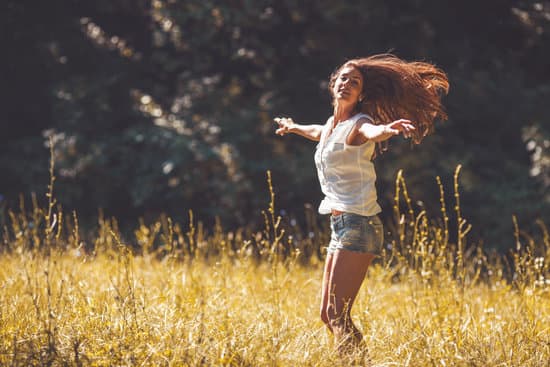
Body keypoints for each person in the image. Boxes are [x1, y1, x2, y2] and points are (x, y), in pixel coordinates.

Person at [274, 54, 449, 353]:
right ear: (333, 85)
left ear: (361, 93)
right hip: (341, 226)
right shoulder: (332, 126)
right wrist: (293, 127)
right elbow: (318, 132)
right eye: (343, 79)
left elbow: (371, 132)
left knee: (338, 316)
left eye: (354, 82)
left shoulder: (360, 124)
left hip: (359, 225)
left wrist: (388, 129)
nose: (347, 84)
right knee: (328, 315)